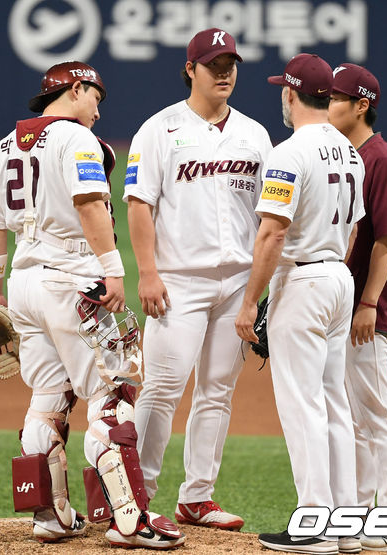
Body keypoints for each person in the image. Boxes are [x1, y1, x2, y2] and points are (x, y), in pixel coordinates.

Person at [0, 61, 184, 549]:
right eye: (96, 97)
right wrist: (114, 270)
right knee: (113, 397)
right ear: (76, 89)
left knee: (47, 398)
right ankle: (130, 520)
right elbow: (90, 203)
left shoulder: (5, 146)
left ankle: (51, 515)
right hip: (74, 281)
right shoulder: (77, 139)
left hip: (25, 287)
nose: (98, 109)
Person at [123, 28, 272, 530]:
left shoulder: (254, 134)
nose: (224, 73)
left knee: (217, 391)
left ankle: (197, 498)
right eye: (214, 65)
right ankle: (136, 497)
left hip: (238, 284)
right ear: (190, 69)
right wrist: (147, 273)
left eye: (230, 64)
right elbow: (138, 205)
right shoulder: (158, 130)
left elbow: (269, 215)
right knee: (162, 389)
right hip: (177, 283)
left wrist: (260, 288)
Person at [235, 53, 366, 555]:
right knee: (334, 403)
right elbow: (352, 229)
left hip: (305, 281)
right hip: (338, 278)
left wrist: (251, 302)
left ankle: (314, 524)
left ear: (290, 94)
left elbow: (272, 232)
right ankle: (345, 524)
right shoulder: (350, 151)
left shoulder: (289, 153)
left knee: (302, 406)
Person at [329, 63, 387, 553]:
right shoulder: (348, 157)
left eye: (335, 98)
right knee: (355, 419)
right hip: (343, 309)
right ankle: (358, 518)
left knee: (378, 415)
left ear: (361, 105)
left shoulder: (382, 161)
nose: (326, 104)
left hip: (365, 314)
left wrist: (368, 304)